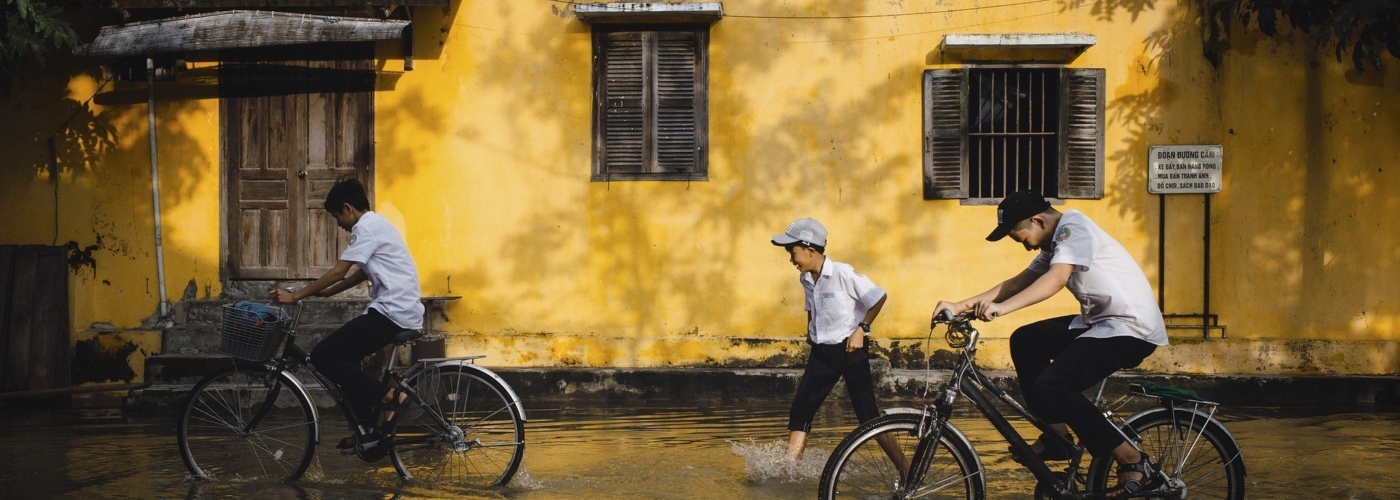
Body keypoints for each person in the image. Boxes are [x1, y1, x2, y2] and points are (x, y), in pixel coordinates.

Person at [930, 190, 1168, 498]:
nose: (1027, 247)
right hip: (1102, 323)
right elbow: (1018, 282)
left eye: (1022, 238)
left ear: (1039, 220)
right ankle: (1056, 435)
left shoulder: (1073, 228)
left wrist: (1002, 309)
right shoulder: (1056, 240)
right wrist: (960, 306)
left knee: (1053, 386)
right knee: (1027, 340)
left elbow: (1056, 279)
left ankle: (1131, 460)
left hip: (1130, 329)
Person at [271, 178, 423, 459]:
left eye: (337, 217)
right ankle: (367, 429)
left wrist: (296, 296)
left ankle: (392, 398)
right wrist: (328, 293)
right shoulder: (378, 225)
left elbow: (340, 270)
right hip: (399, 310)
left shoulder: (365, 229)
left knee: (323, 356)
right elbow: (361, 273)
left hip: (392, 312)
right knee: (346, 360)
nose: (339, 224)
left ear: (348, 208)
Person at [772, 218, 905, 473]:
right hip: (822, 353)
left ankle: (906, 470)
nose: (791, 259)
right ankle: (788, 472)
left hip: (850, 349)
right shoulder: (805, 278)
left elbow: (878, 297)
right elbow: (811, 306)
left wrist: (862, 330)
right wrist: (811, 330)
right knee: (801, 409)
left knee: (868, 416)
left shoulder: (843, 273)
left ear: (810, 250)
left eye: (793, 252)